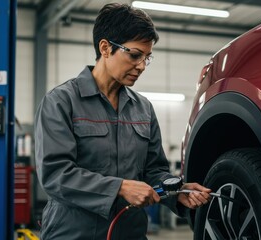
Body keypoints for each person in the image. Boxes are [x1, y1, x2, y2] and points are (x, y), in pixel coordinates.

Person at [34, 3, 211, 239]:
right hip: (73, 233)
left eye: (147, 58)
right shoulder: (60, 102)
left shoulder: (143, 109)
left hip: (130, 233)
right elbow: (56, 174)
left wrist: (176, 189)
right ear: (105, 48)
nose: (141, 66)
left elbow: (154, 170)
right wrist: (120, 187)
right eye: (135, 55)